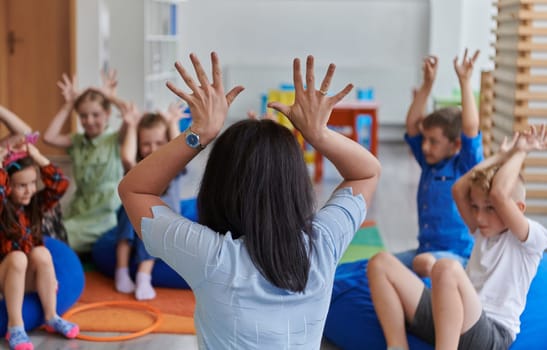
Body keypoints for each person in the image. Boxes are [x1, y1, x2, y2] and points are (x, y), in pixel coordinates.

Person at [118, 52, 380, 349]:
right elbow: (366, 174)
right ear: (295, 183)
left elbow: (134, 190)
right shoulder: (323, 244)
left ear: (218, 185)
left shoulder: (212, 258)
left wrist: (199, 133)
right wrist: (318, 135)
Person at [367, 125, 547, 350]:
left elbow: (499, 194)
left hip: (490, 332)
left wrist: (521, 151)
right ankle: (397, 346)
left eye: (490, 209)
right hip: (450, 320)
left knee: (447, 268)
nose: (479, 216)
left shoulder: (532, 239)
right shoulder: (484, 230)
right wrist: (502, 155)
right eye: (475, 207)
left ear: (518, 208)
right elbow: (459, 189)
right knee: (380, 263)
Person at [396, 49, 484, 277]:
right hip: (425, 251)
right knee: (381, 263)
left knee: (424, 264)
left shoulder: (465, 168)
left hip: (458, 257)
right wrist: (427, 84)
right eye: (425, 140)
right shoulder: (428, 163)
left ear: (455, 145)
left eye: (433, 141)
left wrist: (465, 81)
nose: (424, 146)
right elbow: (413, 126)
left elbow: (471, 129)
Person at [0, 141, 79, 350]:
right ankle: (15, 326)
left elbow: (59, 184)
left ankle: (51, 316)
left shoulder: (34, 203)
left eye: (33, 183)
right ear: (8, 187)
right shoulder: (2, 207)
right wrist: (0, 164)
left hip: (22, 278)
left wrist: (36, 156)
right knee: (17, 257)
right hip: (3, 277)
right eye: (21, 186)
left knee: (41, 252)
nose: (29, 191)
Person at [43, 72, 128, 254]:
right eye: (83, 116)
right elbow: (48, 137)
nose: (89, 121)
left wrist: (111, 97)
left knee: (55, 239)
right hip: (78, 210)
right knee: (42, 228)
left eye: (95, 115)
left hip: (104, 215)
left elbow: (130, 115)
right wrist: (68, 105)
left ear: (107, 114)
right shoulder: (77, 140)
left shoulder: (114, 139)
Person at [113, 101, 184, 300]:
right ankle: (122, 271)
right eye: (146, 144)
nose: (152, 149)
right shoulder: (138, 167)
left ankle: (144, 276)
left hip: (162, 221)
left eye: (159, 143)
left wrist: (171, 123)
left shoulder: (173, 165)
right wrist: (133, 126)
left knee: (151, 218)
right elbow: (127, 158)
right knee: (128, 210)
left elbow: (180, 145)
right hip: (136, 218)